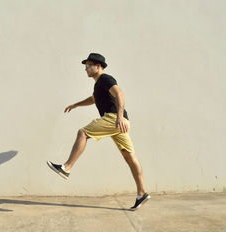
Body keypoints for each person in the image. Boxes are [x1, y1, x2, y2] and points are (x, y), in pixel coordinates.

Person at [46, 53, 151, 211]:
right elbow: (94, 99)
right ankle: (141, 193)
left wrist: (119, 116)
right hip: (120, 122)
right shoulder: (99, 84)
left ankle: (66, 168)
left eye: (89, 65)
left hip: (115, 118)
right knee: (129, 156)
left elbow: (120, 94)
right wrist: (76, 105)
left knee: (83, 133)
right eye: (85, 66)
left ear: (98, 66)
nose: (86, 69)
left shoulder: (105, 79)